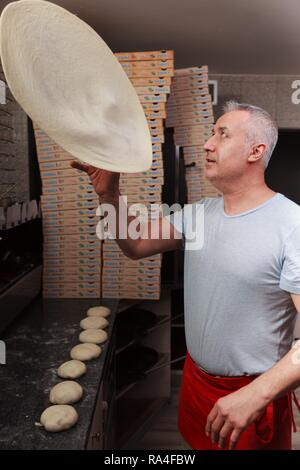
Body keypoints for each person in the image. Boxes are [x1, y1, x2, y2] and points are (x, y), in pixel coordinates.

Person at [71, 101, 300, 450]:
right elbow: (135, 244)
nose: (208, 144)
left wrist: (256, 394)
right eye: (210, 133)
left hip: (252, 395)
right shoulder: (198, 215)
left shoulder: (291, 224)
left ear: (256, 150)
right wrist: (110, 195)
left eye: (222, 134)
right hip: (197, 382)